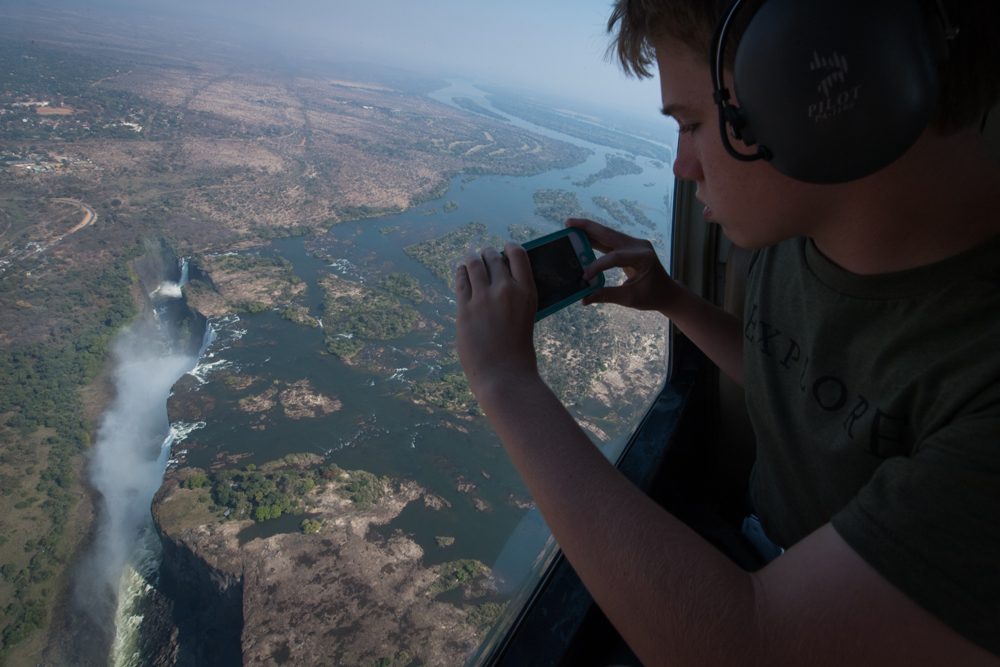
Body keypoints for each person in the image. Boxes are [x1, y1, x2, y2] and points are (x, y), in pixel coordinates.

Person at [454, 0, 1000, 664]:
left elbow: (750, 643)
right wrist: (673, 300)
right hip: (756, 545)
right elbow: (802, 377)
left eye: (690, 123)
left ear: (815, 95)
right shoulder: (803, 242)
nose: (683, 165)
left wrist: (506, 383)